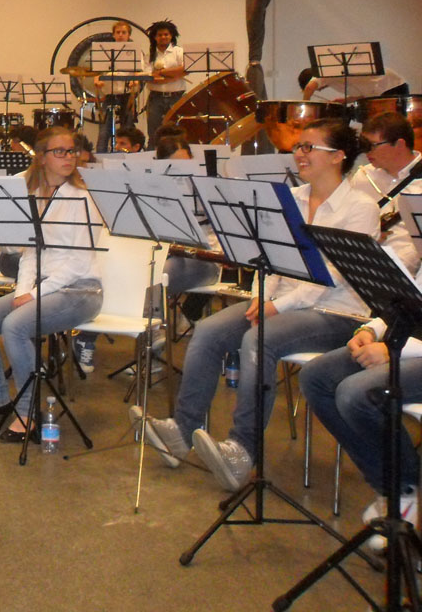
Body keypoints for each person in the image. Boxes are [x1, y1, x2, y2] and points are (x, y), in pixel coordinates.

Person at [142, 120, 379, 491]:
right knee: (208, 330)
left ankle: (242, 450)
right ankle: (181, 432)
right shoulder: (292, 199)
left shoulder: (361, 207)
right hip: (284, 306)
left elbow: (333, 277)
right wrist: (261, 296)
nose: (299, 154)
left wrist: (277, 306)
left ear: (338, 156)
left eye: (309, 147)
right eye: (298, 147)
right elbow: (268, 258)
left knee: (259, 338)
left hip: (337, 313)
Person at [0, 126, 103, 441]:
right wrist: (24, 292)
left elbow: (79, 263)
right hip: (43, 285)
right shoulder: (33, 194)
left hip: (81, 289)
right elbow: (29, 253)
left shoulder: (82, 198)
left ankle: (28, 414)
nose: (68, 157)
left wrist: (34, 295)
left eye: (72, 150)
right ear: (41, 157)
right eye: (59, 151)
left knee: (15, 326)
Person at [300, 297, 422, 545]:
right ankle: (391, 486)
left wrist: (394, 349)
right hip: (406, 342)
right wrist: (370, 330)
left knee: (355, 395)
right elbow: (408, 301)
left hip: (411, 349)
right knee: (315, 377)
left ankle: (403, 489)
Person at [353, 112, 422, 274]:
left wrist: (387, 270)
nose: (366, 152)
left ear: (399, 144)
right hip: (359, 264)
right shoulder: (363, 176)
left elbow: (415, 251)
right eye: (363, 145)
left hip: (404, 273)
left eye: (372, 145)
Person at [92, 20, 145, 147]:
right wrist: (97, 80)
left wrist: (135, 79)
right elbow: (98, 72)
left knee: (127, 130)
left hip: (127, 94)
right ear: (114, 34)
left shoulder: (136, 51)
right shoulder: (104, 51)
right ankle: (101, 155)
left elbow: (140, 71)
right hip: (109, 95)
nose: (121, 35)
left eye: (124, 32)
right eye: (118, 32)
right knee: (104, 130)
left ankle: (127, 155)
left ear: (128, 35)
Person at [146, 20, 186, 140]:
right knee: (154, 133)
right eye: (160, 35)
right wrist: (174, 75)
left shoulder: (179, 51)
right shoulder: (149, 55)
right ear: (155, 37)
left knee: (177, 133)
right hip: (155, 97)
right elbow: (149, 77)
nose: (163, 37)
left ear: (171, 35)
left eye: (166, 34)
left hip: (176, 96)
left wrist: (162, 72)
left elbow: (186, 69)